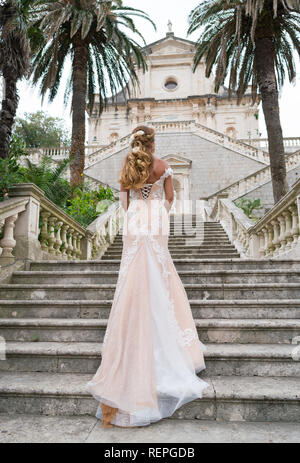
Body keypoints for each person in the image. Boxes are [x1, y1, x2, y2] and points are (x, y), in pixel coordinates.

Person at [87, 125, 208, 428]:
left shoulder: (128, 163)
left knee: (132, 271)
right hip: (155, 220)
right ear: (153, 144)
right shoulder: (164, 166)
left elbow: (125, 200)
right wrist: (158, 211)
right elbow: (169, 199)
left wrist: (137, 210)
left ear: (135, 143)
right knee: (160, 268)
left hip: (135, 218)